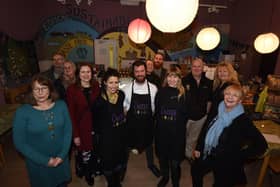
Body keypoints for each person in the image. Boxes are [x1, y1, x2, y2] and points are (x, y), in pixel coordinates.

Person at [191, 84, 268, 187]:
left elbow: (261, 145)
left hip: (226, 162)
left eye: (235, 95)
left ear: (240, 100)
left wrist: (240, 156)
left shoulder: (243, 120)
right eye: (228, 93)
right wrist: (199, 147)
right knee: (196, 170)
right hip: (209, 152)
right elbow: (206, 128)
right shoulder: (218, 109)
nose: (230, 97)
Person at [13, 74, 72, 187]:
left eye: (44, 88)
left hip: (61, 159)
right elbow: (20, 143)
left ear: (50, 89)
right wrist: (46, 161)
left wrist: (62, 155)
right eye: (36, 89)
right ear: (31, 91)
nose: (40, 92)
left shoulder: (61, 105)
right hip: (38, 163)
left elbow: (68, 131)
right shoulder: (22, 112)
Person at [122, 60, 160, 178]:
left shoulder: (153, 88)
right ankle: (123, 168)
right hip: (131, 125)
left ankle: (151, 164)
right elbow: (124, 109)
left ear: (146, 71)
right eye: (137, 71)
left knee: (149, 145)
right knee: (127, 146)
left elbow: (154, 108)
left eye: (142, 71)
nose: (139, 74)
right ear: (133, 73)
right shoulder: (127, 88)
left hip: (147, 124)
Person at [66, 62, 100, 186]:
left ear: (92, 73)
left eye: (88, 72)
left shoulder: (96, 86)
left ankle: (92, 170)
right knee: (84, 152)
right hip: (81, 127)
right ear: (78, 74)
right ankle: (86, 173)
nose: (86, 74)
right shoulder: (72, 89)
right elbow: (71, 114)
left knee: (94, 151)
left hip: (96, 126)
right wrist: (75, 135)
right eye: (83, 72)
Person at [92, 68, 126, 187]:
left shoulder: (121, 95)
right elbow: (95, 124)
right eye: (111, 82)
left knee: (119, 164)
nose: (114, 85)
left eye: (116, 82)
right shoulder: (99, 102)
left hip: (120, 138)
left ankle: (117, 183)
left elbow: (121, 114)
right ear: (105, 82)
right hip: (106, 141)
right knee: (108, 166)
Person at [155, 67, 188, 187]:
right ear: (166, 78)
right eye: (169, 76)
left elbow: (186, 116)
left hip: (177, 136)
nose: (172, 79)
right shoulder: (160, 93)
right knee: (163, 159)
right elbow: (157, 114)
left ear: (179, 79)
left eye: (175, 76)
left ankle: (175, 182)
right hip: (162, 134)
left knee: (175, 163)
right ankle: (165, 177)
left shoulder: (183, 94)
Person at [182, 58, 212, 159]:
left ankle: (188, 155)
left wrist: (206, 114)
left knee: (193, 139)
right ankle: (180, 155)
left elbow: (209, 100)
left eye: (199, 66)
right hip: (185, 117)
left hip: (201, 117)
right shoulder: (184, 81)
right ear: (191, 67)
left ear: (203, 67)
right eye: (194, 66)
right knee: (182, 137)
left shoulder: (208, 82)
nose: (196, 68)